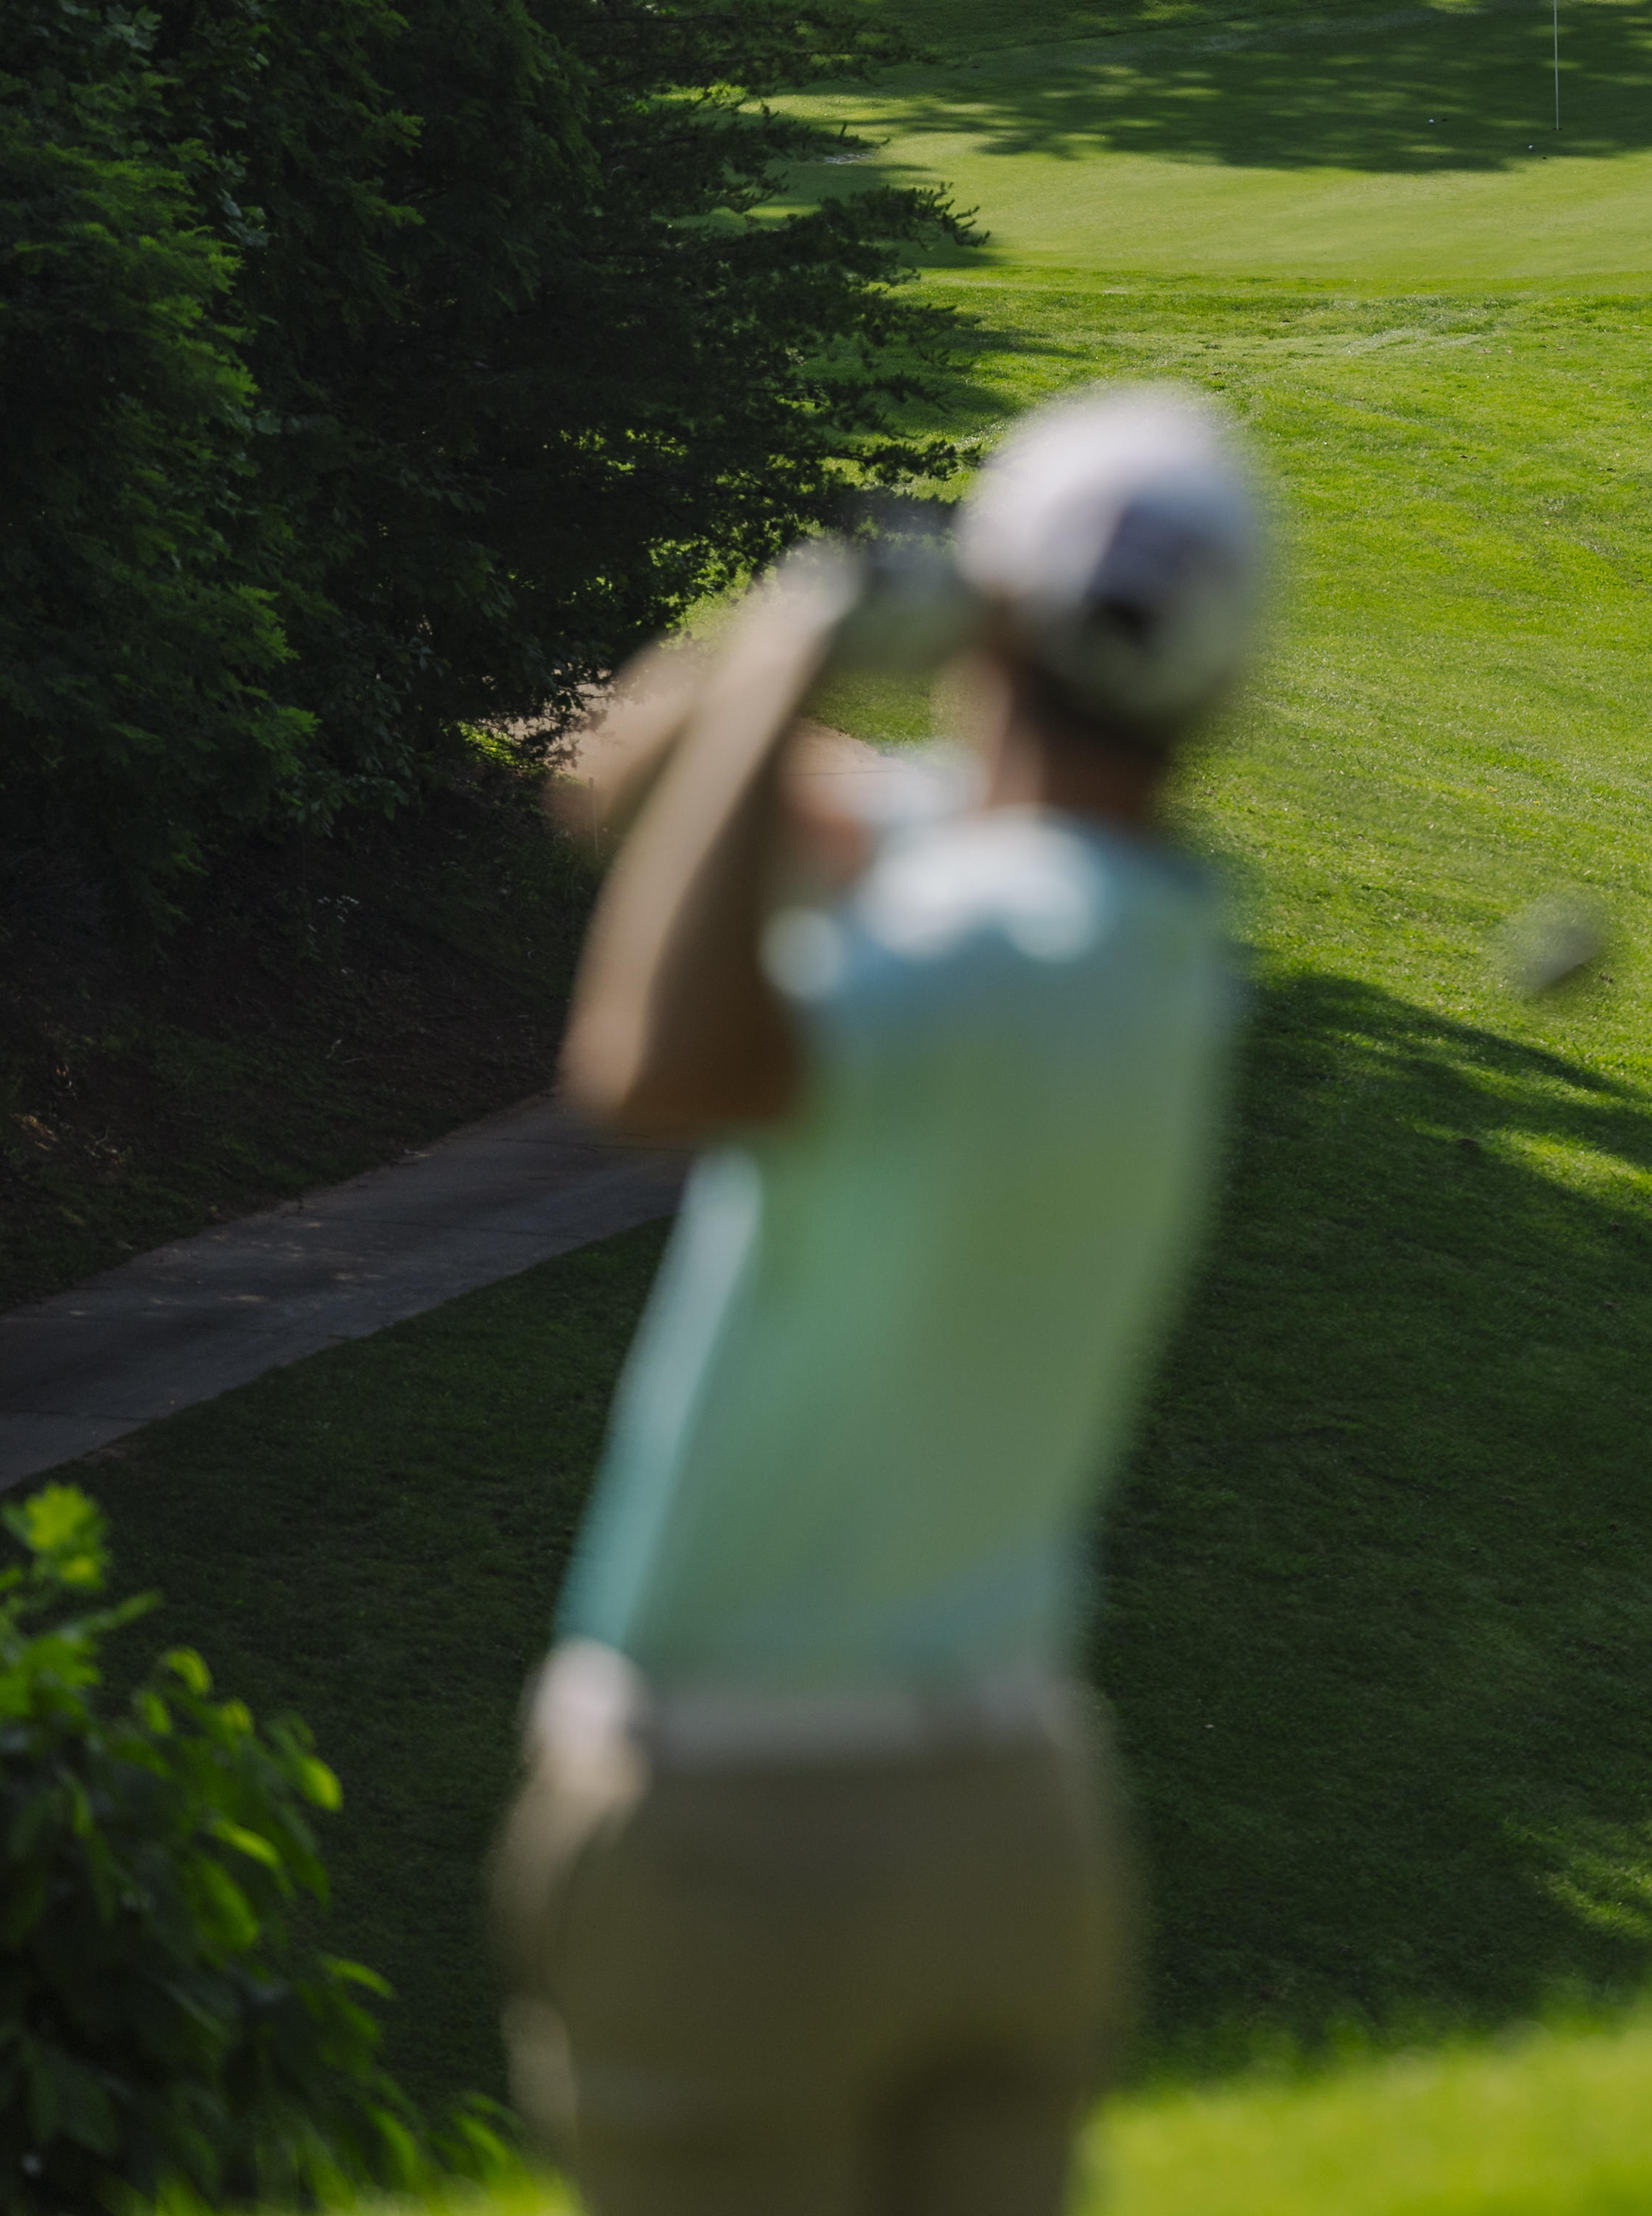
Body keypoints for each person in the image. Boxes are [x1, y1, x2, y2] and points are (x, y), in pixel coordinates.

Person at [493, 387, 1270, 2216]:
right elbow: (602, 771)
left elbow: (649, 1065)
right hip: (1016, 1818)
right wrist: (774, 669)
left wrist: (797, 628)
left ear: (996, 621)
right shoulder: (1139, 936)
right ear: (1222, 691)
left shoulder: (977, 937)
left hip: (742, 1828)